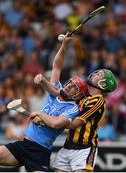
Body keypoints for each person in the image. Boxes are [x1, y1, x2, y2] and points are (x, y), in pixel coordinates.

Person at [0, 34, 88, 172]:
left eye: (73, 88)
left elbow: (56, 123)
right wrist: (64, 45)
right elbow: (57, 66)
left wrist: (39, 114)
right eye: (69, 83)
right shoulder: (55, 91)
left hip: (39, 152)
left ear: (78, 95)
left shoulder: (73, 108)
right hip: (23, 145)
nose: (68, 86)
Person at [30, 68, 117, 172]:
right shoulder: (84, 96)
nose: (95, 73)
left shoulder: (98, 101)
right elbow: (57, 92)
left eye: (99, 74)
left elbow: (74, 124)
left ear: (102, 84)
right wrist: (43, 80)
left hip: (84, 148)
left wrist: (47, 120)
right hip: (68, 146)